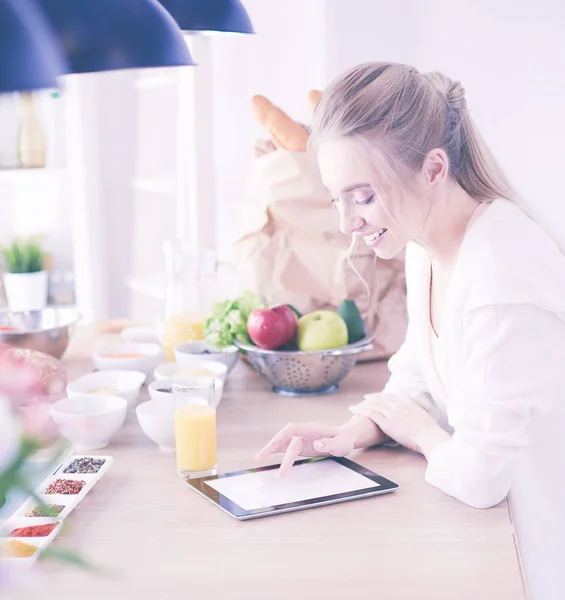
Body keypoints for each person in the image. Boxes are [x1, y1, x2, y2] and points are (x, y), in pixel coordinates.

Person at [255, 62, 565, 600]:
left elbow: (482, 478)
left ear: (433, 168)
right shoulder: (429, 243)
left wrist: (418, 432)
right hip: (491, 543)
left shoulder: (502, 274)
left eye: (364, 196)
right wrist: (353, 431)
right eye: (337, 198)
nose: (348, 221)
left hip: (533, 559)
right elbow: (421, 373)